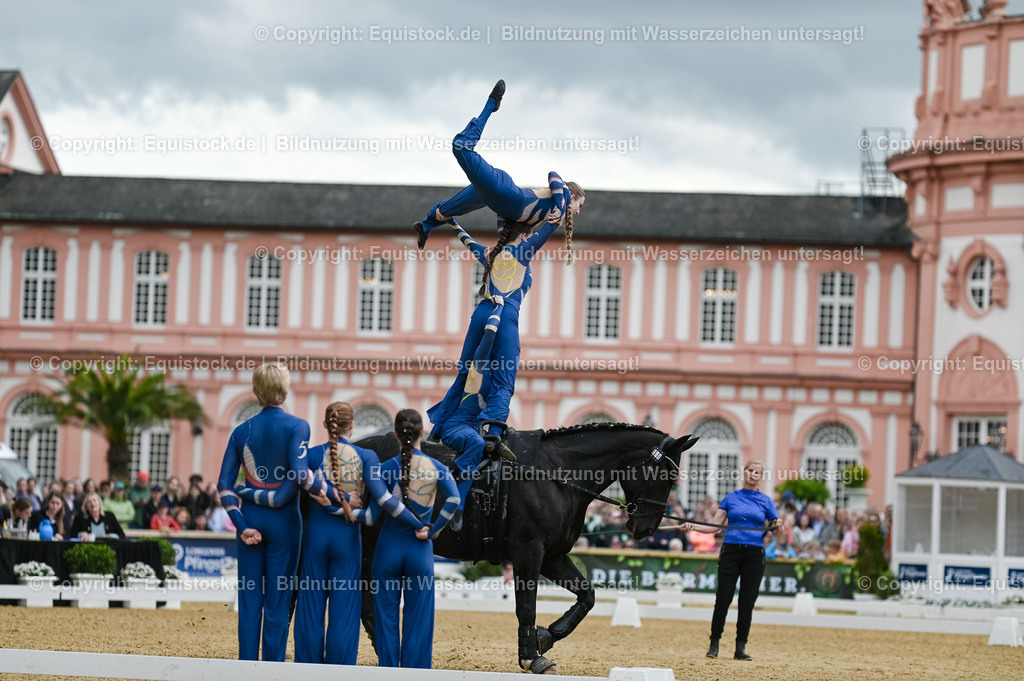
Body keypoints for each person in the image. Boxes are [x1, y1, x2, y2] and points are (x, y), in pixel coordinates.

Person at [420, 81, 584, 446]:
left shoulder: (491, 254)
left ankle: (439, 428)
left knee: (467, 371)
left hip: (481, 313)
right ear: (523, 232)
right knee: (504, 374)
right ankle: (493, 430)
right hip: (504, 316)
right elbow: (554, 192)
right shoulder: (524, 251)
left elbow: (468, 241)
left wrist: (445, 221)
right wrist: (561, 205)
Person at [218, 362, 338, 662]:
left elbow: (224, 485)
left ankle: (247, 666)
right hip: (285, 522)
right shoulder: (298, 426)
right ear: (285, 389)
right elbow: (299, 475)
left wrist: (241, 522)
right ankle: (273, 668)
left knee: (248, 602)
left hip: (249, 521)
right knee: (278, 601)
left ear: (256, 391)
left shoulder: (240, 431)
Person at [294, 401, 425, 665]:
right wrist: (417, 522)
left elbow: (298, 481)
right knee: (345, 612)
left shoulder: (310, 456)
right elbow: (383, 503)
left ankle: (306, 670)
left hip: (315, 539)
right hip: (347, 539)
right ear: (352, 426)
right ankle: (341, 670)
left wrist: (328, 500)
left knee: (310, 608)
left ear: (324, 425)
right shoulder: (367, 457)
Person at [413, 79, 585, 251]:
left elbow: (505, 218)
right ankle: (491, 104)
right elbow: (553, 175)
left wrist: (498, 248)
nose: (578, 212)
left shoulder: (544, 218)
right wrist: (562, 208)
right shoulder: (563, 195)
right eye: (580, 205)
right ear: (572, 194)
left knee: (443, 213)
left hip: (490, 198)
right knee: (461, 146)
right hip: (501, 188)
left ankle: (425, 226)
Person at [371, 408, 459, 669]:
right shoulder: (437, 467)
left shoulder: (384, 469)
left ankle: (388, 671)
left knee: (385, 618)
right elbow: (454, 499)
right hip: (420, 549)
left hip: (388, 548)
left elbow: (376, 511)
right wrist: (434, 529)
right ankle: (415, 672)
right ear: (423, 433)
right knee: (418, 620)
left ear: (396, 434)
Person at [682, 459, 782, 661]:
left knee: (747, 602)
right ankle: (714, 643)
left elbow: (779, 533)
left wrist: (779, 527)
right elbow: (714, 526)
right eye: (750, 471)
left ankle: (740, 647)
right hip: (731, 551)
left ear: (760, 477)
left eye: (757, 472)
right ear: (744, 473)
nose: (753, 474)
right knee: (723, 598)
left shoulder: (766, 501)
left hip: (754, 554)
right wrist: (693, 526)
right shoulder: (731, 498)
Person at [438, 295, 507, 531]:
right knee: (477, 444)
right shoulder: (479, 364)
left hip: (470, 426)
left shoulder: (497, 379)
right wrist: (499, 309)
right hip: (456, 426)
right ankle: (456, 505)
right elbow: (488, 335)